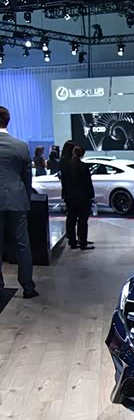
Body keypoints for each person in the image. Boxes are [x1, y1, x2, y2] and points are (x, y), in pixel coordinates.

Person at [0, 105, 37, 299]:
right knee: (23, 244)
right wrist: (26, 198)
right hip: (17, 199)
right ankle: (28, 287)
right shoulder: (21, 146)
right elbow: (27, 177)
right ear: (8, 121)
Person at [65, 145, 95, 251]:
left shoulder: (66, 167)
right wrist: (91, 196)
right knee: (82, 221)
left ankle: (72, 241)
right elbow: (88, 183)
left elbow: (64, 183)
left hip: (70, 197)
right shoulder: (84, 167)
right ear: (82, 154)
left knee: (71, 219)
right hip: (83, 197)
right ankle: (83, 242)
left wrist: (65, 195)